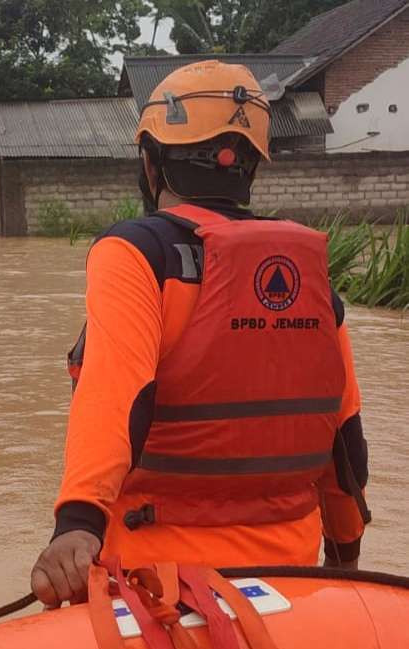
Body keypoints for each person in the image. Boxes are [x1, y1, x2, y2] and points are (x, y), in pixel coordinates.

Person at [30, 60, 371, 609]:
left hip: (155, 584)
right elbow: (344, 438)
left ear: (150, 164)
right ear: (254, 168)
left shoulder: (136, 253)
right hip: (287, 580)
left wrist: (77, 522)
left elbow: (115, 394)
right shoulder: (308, 277)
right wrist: (346, 557)